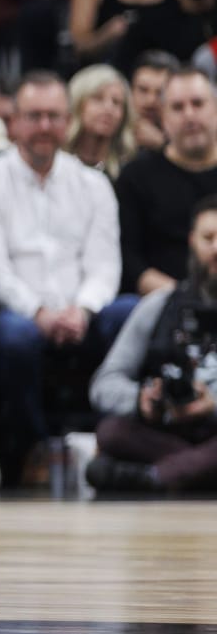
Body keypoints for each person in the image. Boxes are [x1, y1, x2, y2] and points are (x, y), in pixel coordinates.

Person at [0, 71, 131, 479]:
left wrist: (83, 310)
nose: (44, 127)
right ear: (14, 121)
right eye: (34, 116)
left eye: (54, 116)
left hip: (81, 312)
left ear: (68, 120)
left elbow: (106, 264)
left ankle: (110, 439)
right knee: (13, 337)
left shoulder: (93, 184)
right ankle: (33, 446)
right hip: (19, 313)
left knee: (131, 314)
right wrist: (39, 312)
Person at [88, 196, 217, 492]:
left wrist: (212, 405)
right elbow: (104, 383)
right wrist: (141, 400)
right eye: (208, 238)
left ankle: (153, 478)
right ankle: (194, 472)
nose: (216, 248)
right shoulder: (158, 306)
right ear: (191, 241)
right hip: (165, 431)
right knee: (112, 432)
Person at [116, 69, 217, 298]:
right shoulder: (136, 177)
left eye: (198, 104)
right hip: (161, 303)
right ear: (163, 117)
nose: (189, 115)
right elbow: (130, 260)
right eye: (178, 107)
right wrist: (185, 299)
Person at [67, 63, 137, 179]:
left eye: (116, 102)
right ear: (77, 103)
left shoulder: (128, 174)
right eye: (98, 98)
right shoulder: (54, 163)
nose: (109, 109)